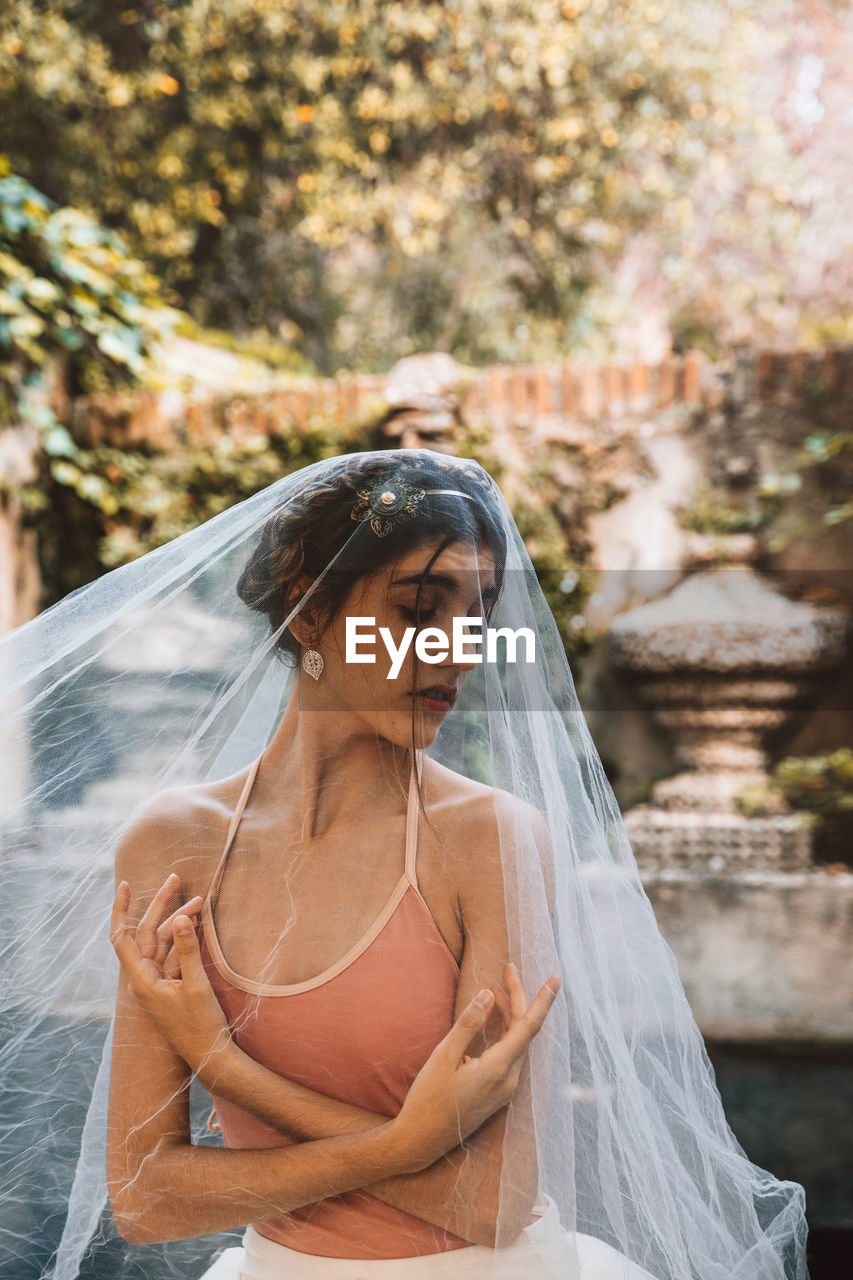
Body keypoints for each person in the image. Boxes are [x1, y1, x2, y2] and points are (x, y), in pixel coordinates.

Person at [0, 448, 807, 1280]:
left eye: (476, 613)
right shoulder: (172, 841)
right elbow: (145, 1198)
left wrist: (227, 1067)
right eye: (420, 608)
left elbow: (490, 1202)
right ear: (307, 611)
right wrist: (409, 1146)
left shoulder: (488, 837)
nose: (456, 648)